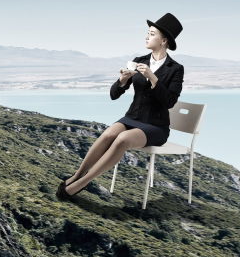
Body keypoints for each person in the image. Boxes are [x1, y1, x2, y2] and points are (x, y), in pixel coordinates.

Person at [57, 13, 185, 200]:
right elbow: (113, 95)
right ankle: (77, 175)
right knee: (109, 134)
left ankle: (83, 183)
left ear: (164, 40)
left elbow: (169, 102)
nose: (146, 37)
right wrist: (122, 81)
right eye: (147, 33)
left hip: (156, 126)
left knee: (122, 139)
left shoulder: (176, 69)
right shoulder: (139, 60)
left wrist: (153, 78)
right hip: (132, 117)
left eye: (151, 34)